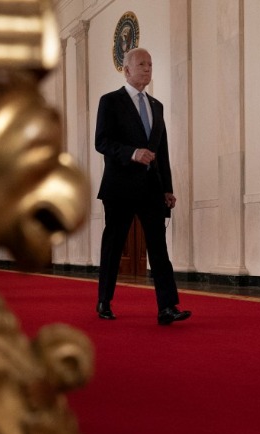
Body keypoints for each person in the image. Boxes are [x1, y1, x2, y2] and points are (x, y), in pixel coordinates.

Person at [93, 47, 191, 325]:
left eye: (150, 64)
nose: (147, 68)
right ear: (126, 70)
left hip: (151, 188)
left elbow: (163, 151)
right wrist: (132, 153)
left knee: (159, 248)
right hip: (119, 187)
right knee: (113, 245)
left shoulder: (157, 106)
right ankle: (104, 301)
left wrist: (167, 188)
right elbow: (101, 142)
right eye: (141, 64)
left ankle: (167, 307)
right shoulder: (110, 101)